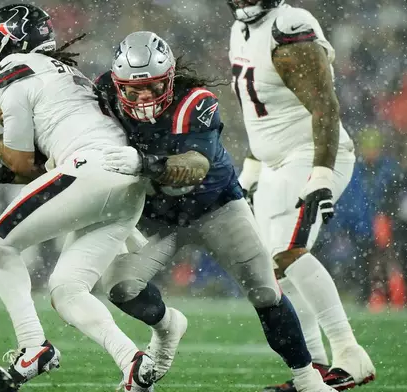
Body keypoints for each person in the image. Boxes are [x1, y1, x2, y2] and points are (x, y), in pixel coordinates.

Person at [95, 31, 338, 392]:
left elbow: (194, 165)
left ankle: (307, 379)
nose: (143, 97)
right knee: (119, 287)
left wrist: (144, 162)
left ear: (171, 79)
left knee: (265, 292)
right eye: (133, 89)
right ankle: (167, 329)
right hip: (157, 219)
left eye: (153, 87)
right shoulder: (103, 94)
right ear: (117, 84)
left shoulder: (196, 101)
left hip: (216, 207)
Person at [0, 4, 154, 391]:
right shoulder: (67, 72)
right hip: (125, 182)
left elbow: (21, 162)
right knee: (67, 290)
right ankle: (132, 363)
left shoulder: (15, 68)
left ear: (11, 40)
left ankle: (32, 346)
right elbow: (42, 164)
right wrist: (6, 163)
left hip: (89, 170)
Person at [227, 1, 375, 390]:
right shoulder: (240, 29)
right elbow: (256, 113)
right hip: (274, 162)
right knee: (273, 269)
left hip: (309, 154)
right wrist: (252, 169)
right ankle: (317, 368)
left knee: (288, 251)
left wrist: (321, 175)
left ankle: (349, 353)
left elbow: (325, 104)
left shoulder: (289, 26)